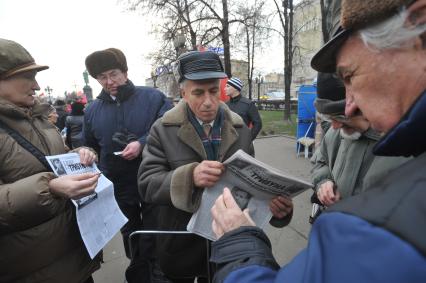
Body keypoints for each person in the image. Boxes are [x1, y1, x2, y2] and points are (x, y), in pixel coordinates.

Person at [209, 1, 426, 282]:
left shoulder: (386, 224)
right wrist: (323, 181)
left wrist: (239, 244)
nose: (348, 108)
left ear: (419, 27)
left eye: (350, 76)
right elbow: (321, 161)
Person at [138, 51, 293, 283]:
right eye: (198, 93)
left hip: (231, 245)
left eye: (213, 91)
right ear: (183, 92)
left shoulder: (240, 129)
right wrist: (189, 177)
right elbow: (147, 185)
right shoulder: (163, 129)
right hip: (182, 244)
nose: (208, 102)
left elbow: (250, 183)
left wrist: (276, 209)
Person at [0, 38, 101, 283]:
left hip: (75, 256)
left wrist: (80, 155)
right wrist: (49, 187)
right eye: (27, 76)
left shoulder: (39, 118)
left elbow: (59, 157)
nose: (36, 85)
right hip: (30, 269)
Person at [83, 47, 173, 282]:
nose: (109, 81)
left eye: (114, 74)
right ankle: (139, 271)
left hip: (153, 178)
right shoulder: (92, 110)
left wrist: (142, 143)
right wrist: (85, 151)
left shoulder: (153, 97)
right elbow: (88, 144)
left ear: (125, 71)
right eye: (102, 77)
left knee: (154, 230)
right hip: (118, 184)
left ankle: (157, 272)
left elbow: (169, 130)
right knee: (130, 232)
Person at [310, 73, 409, 217]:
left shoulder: (408, 146)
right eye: (330, 118)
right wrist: (324, 181)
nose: (335, 126)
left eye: (341, 117)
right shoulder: (336, 132)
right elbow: (320, 161)